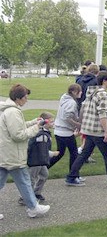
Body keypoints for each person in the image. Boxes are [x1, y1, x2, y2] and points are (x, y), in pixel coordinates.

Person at [65, 71, 107, 188]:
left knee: (85, 153)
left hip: (89, 128)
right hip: (98, 130)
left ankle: (71, 176)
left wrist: (81, 125)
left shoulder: (92, 92)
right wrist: (106, 131)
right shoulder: (103, 95)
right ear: (104, 81)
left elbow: (83, 109)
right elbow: (102, 114)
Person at [0, 84, 51, 218]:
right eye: (25, 97)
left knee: (22, 181)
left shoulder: (10, 109)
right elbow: (18, 135)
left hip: (7, 153)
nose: (27, 100)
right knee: (24, 181)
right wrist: (37, 127)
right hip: (12, 154)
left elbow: (18, 127)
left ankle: (33, 207)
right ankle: (33, 207)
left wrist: (34, 122)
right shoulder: (13, 112)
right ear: (18, 98)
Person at [24, 112, 59, 203]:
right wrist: (52, 154)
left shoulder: (44, 133)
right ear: (45, 122)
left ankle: (36, 193)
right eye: (51, 122)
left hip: (41, 160)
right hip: (35, 160)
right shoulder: (42, 135)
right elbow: (42, 150)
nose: (53, 123)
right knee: (31, 179)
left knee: (44, 175)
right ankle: (25, 197)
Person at [48, 84, 82, 173]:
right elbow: (67, 117)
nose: (81, 93)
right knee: (74, 153)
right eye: (80, 91)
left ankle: (43, 169)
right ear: (74, 92)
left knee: (60, 153)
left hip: (58, 131)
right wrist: (77, 125)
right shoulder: (71, 102)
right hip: (65, 132)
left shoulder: (64, 98)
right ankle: (73, 175)